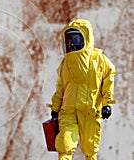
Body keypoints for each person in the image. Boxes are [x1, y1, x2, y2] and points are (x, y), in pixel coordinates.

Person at [48, 19, 116, 160]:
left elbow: (108, 81)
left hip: (90, 111)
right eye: (70, 39)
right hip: (68, 111)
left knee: (90, 149)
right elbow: (60, 88)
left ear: (86, 38)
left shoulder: (100, 61)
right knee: (65, 144)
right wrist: (55, 109)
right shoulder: (66, 63)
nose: (72, 43)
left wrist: (107, 104)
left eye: (76, 38)